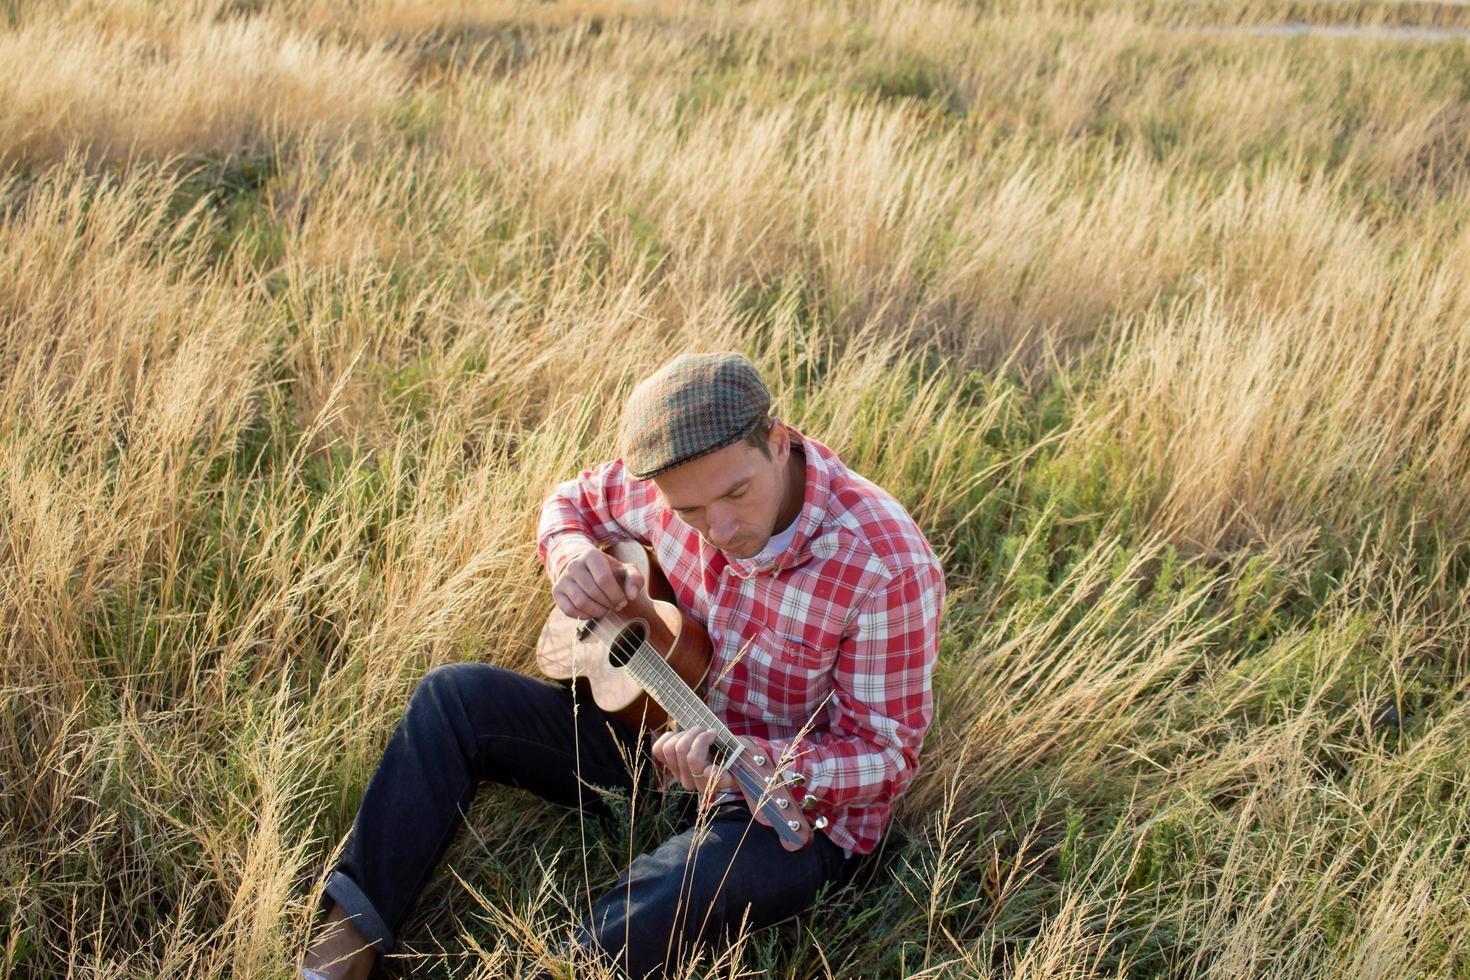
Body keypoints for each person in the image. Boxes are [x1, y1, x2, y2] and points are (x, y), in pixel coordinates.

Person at [300, 352, 946, 979]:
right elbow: (568, 504)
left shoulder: (882, 563)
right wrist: (571, 557)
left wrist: (744, 761)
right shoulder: (657, 492)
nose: (718, 527)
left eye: (736, 494)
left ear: (776, 441)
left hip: (784, 806)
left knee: (670, 896)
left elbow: (885, 754)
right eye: (688, 511)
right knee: (453, 698)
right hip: (652, 733)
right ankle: (339, 954)